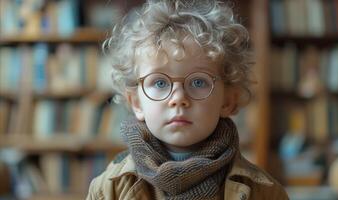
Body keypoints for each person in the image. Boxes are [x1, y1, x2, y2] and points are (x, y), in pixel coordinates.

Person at [87, 0, 289, 199]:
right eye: (159, 83)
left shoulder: (265, 193)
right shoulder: (108, 189)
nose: (178, 99)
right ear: (136, 102)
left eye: (198, 82)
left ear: (228, 101)